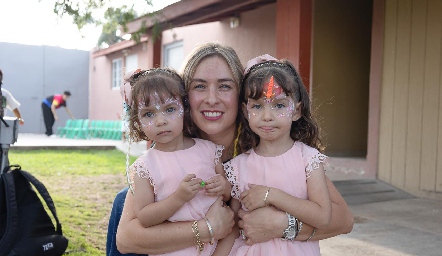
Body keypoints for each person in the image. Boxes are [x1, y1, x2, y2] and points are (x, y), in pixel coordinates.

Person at [112, 43, 353, 255]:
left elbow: (342, 219)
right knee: (125, 199)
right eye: (199, 87)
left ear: (242, 96)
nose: (212, 99)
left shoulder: (267, 145)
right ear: (184, 98)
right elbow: (126, 239)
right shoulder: (173, 146)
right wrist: (206, 229)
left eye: (225, 86)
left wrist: (281, 224)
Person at [223, 55, 331, 255]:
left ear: (296, 111)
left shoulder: (308, 159)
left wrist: (271, 195)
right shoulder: (237, 167)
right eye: (257, 106)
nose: (267, 116)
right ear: (246, 112)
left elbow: (323, 217)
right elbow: (234, 228)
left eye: (279, 105)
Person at [120, 67, 232, 255]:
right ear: (137, 121)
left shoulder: (208, 150)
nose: (160, 121)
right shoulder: (144, 167)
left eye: (170, 109)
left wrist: (223, 187)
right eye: (148, 114)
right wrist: (178, 198)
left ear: (184, 110)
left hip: (215, 249)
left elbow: (227, 195)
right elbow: (145, 217)